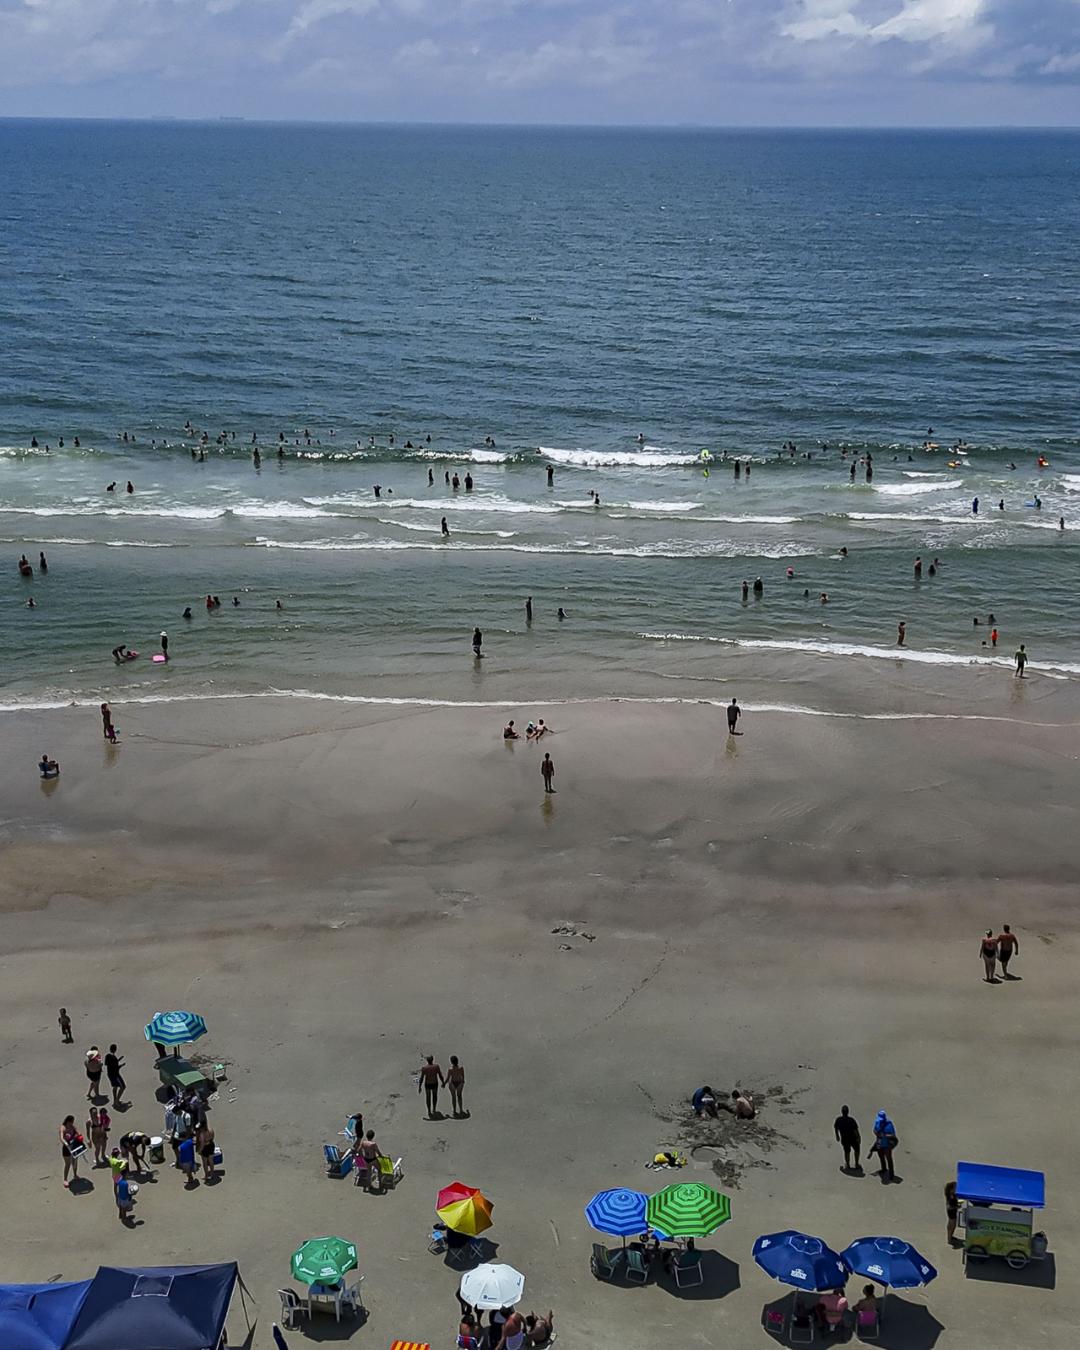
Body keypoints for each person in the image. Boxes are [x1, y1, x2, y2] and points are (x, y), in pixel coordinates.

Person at [870, 1110, 897, 1181]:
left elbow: (893, 1135)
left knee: (889, 1159)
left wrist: (885, 1135)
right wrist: (877, 1133)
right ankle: (884, 1169)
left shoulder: (889, 1124)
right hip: (879, 1142)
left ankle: (891, 1174)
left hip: (887, 1144)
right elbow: (874, 1130)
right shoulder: (877, 1122)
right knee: (881, 1156)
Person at [834, 1105, 861, 1171]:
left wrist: (837, 1136)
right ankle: (857, 1164)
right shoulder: (851, 1120)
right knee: (857, 1151)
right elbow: (856, 1130)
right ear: (848, 1112)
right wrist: (859, 1137)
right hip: (853, 1138)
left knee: (847, 1152)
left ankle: (848, 1164)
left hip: (844, 1139)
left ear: (842, 1112)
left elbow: (836, 1127)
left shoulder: (838, 1120)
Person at [60, 1115, 83, 1188]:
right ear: (67, 1121)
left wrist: (79, 1137)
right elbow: (61, 1137)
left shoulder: (73, 1127)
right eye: (71, 1122)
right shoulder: (63, 1127)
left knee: (75, 1161)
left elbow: (78, 1133)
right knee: (68, 1164)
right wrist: (65, 1143)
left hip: (74, 1146)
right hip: (67, 1148)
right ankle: (65, 1179)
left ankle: (75, 1175)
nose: (72, 1123)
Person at [945, 1180, 960, 1245]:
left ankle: (950, 1237)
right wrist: (957, 1207)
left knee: (950, 1224)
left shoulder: (951, 1195)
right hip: (952, 1212)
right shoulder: (951, 1197)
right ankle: (950, 1239)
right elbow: (950, 1206)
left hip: (951, 1211)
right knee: (952, 1225)